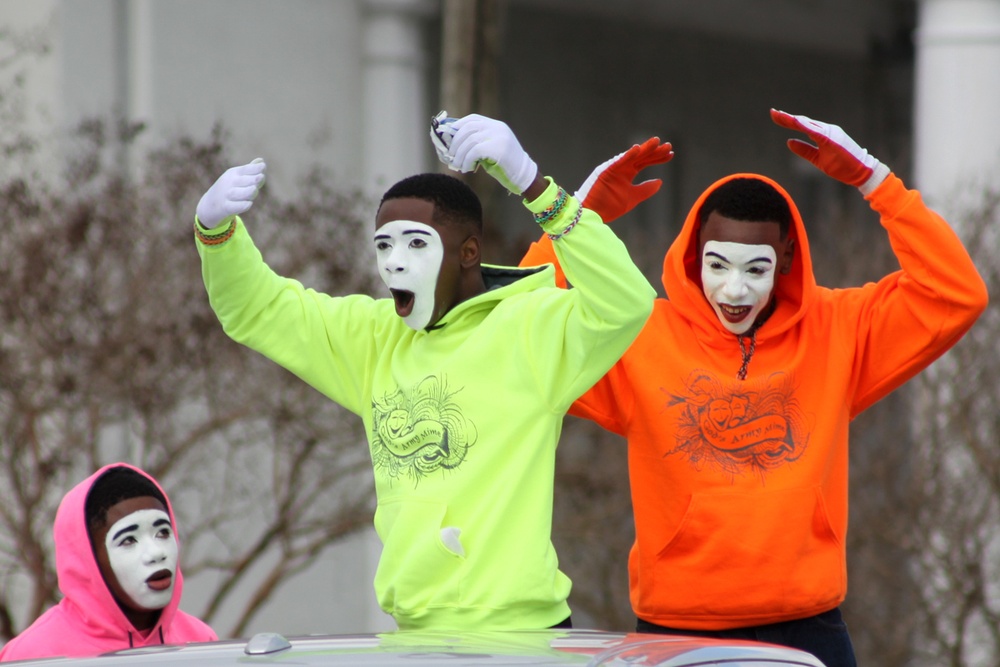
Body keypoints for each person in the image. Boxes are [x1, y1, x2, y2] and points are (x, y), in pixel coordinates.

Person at [518, 109, 989, 666]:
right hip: (676, 632)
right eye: (718, 266)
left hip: (808, 628)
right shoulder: (637, 334)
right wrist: (577, 218)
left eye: (755, 269)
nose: (734, 289)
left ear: (786, 257)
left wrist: (877, 184)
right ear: (694, 257)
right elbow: (524, 332)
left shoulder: (838, 330)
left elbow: (955, 293)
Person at [190, 113, 655, 631]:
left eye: (415, 243)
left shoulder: (531, 330)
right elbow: (258, 310)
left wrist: (533, 183)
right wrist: (216, 234)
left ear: (468, 253)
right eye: (384, 245)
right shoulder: (372, 340)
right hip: (416, 638)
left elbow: (626, 303)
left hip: (522, 638)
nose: (393, 262)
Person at [0, 463, 216, 660]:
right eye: (129, 540)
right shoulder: (34, 655)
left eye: (162, 533)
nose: (156, 553)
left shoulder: (200, 641)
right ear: (88, 560)